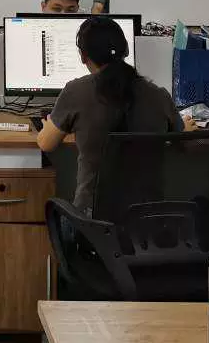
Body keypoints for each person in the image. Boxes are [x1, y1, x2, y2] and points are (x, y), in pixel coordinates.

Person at [36, 16, 183, 210]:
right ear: (126, 50)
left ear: (83, 56)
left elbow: (46, 144)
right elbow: (182, 138)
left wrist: (49, 125)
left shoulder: (75, 92)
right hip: (147, 219)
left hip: (92, 220)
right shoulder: (159, 95)